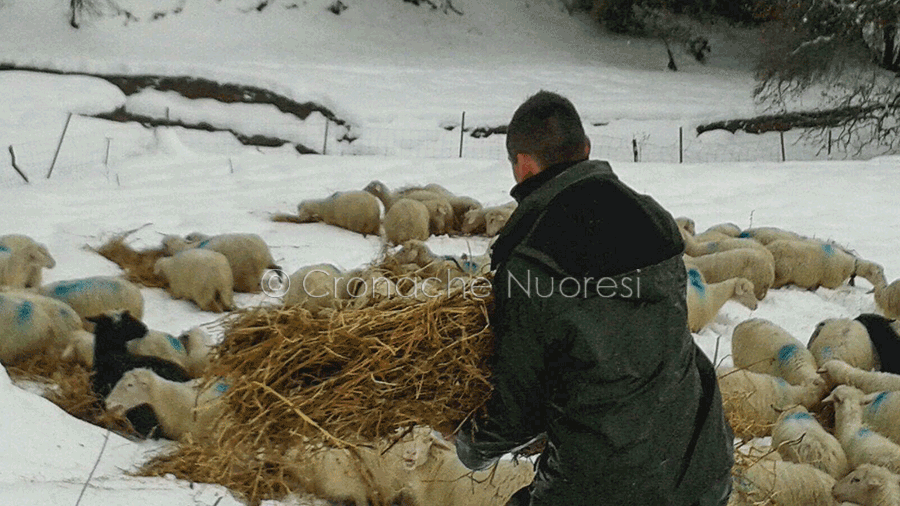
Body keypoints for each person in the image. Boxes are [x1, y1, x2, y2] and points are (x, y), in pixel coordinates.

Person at [454, 91, 734, 506]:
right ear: (586, 149)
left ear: (523, 165)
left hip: (610, 484)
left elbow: (519, 409)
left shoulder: (531, 260)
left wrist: (466, 444)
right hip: (700, 466)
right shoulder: (655, 223)